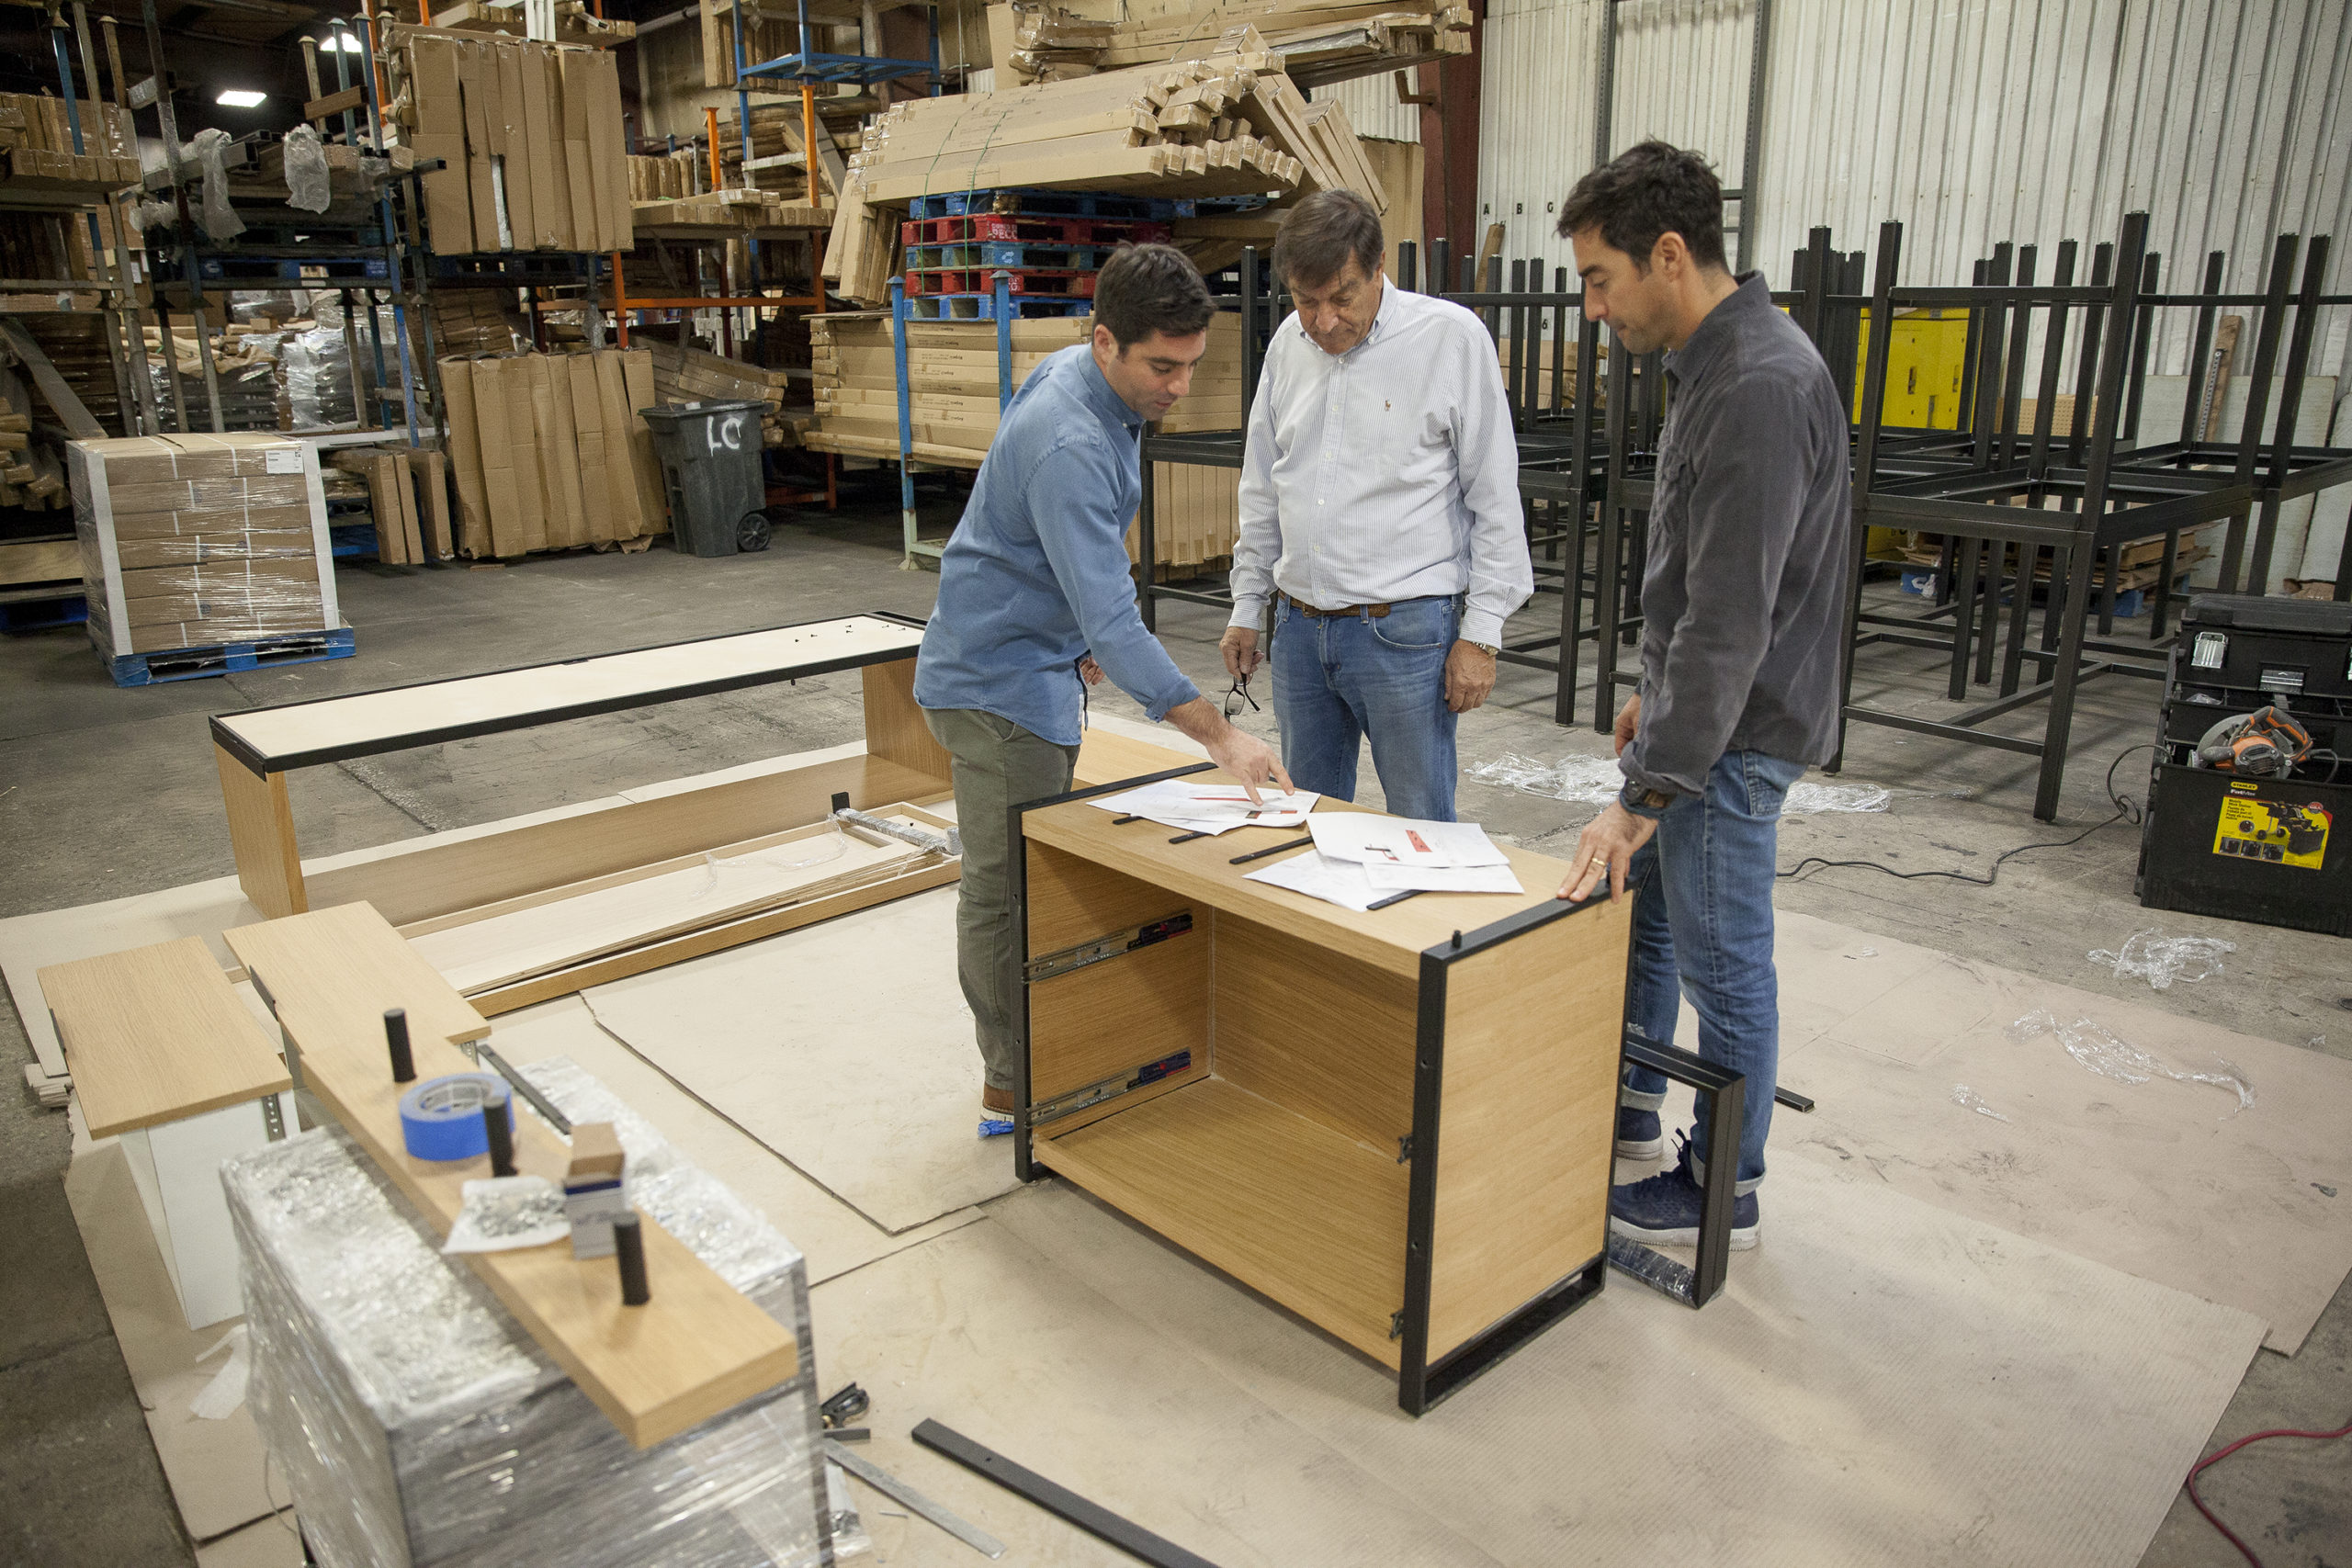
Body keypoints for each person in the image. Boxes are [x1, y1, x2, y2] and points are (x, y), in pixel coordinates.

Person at [916, 243, 1292, 1130]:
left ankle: (1029, 1058)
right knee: (1005, 890)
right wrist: (1221, 737)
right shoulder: (1070, 439)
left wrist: (1068, 624)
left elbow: (1057, 562)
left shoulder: (1081, 384)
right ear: (1105, 343)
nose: (1179, 387)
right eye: (1162, 366)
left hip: (1025, 658)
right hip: (997, 689)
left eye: (1193, 366)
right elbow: (1117, 623)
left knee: (1023, 877)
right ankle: (1013, 1083)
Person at [1552, 141, 1850, 1249]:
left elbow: (1732, 620)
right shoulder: (1718, 365)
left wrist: (1645, 790)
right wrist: (1651, 690)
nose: (1591, 308)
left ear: (1666, 255)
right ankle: (1629, 1114)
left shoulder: (1760, 387)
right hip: (1701, 726)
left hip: (1733, 742)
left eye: (1597, 279)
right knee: (1659, 934)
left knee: (1725, 967)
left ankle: (1724, 1185)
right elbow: (1695, 573)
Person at [1218, 188, 1531, 823]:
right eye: (1306, 301)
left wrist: (1482, 634)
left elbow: (1495, 495)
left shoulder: (1449, 340)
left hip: (1405, 633)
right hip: (1302, 632)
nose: (1324, 320)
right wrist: (1248, 603)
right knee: (1307, 819)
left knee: (1420, 828)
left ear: (1379, 266)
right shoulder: (1287, 346)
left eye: (1342, 297)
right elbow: (1263, 485)